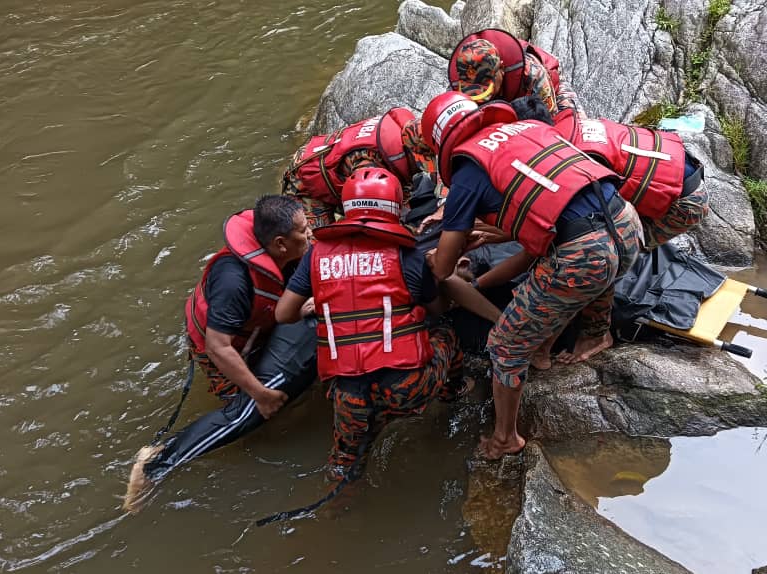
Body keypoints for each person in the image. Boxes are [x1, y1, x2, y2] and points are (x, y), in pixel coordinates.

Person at [419, 92, 640, 460]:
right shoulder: (526, 129)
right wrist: (480, 236)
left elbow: (442, 269)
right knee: (581, 275)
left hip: (582, 253)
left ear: (442, 142)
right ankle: (558, 345)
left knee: (504, 347)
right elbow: (548, 205)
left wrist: (448, 253)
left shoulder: (467, 172)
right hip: (626, 223)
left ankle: (505, 438)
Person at [274, 168, 491, 481]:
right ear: (395, 208)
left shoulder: (315, 255)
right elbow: (437, 307)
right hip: (408, 387)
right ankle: (453, 392)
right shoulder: (409, 255)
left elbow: (283, 314)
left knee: (346, 463)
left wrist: (319, 305)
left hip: (347, 393)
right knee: (445, 333)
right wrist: (438, 272)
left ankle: (337, 507)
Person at [123, 195, 316, 511]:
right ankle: (156, 463)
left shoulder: (282, 254)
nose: (310, 234)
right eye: (305, 230)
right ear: (281, 244)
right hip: (222, 350)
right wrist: (260, 393)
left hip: (251, 331)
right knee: (249, 412)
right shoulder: (234, 281)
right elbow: (218, 347)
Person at [553, 108, 708, 252]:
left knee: (622, 248)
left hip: (686, 202)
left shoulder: (580, 156)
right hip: (681, 164)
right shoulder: (575, 123)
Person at [282, 108, 437, 230]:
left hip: (327, 158)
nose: (419, 168)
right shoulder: (370, 165)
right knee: (317, 248)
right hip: (306, 182)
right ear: (409, 152)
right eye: (419, 163)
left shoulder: (399, 133)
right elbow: (366, 218)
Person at [447, 29, 583, 118]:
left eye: (486, 88)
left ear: (501, 68)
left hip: (551, 89)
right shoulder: (463, 76)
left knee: (571, 123)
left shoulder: (533, 74)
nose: (483, 99)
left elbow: (550, 118)